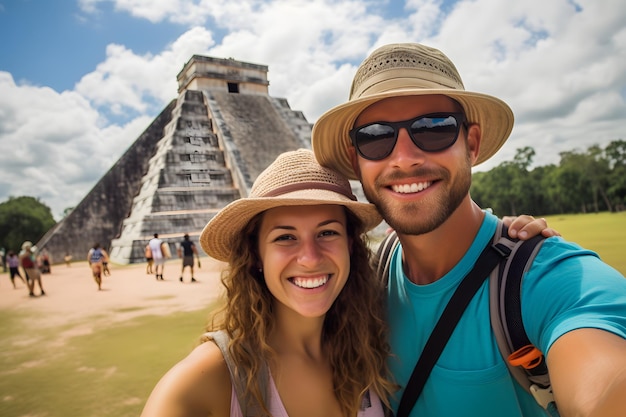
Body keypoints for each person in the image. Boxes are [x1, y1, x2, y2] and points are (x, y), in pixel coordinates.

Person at [312, 43, 626, 417]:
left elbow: (604, 385)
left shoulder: (546, 281)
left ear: (471, 143)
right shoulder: (371, 275)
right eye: (375, 137)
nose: (405, 157)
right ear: (355, 158)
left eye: (433, 129)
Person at [141, 149, 397, 417]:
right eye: (285, 237)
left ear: (350, 246)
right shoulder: (206, 381)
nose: (310, 258)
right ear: (256, 255)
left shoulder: (369, 352)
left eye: (327, 232)